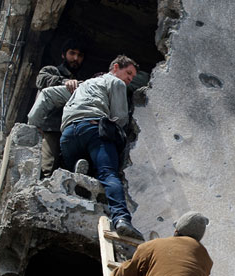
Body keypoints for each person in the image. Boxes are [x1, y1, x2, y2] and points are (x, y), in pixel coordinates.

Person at [59, 55, 143, 240]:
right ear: (115, 67)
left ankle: (82, 169)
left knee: (85, 169)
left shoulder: (83, 84)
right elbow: (120, 118)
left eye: (132, 77)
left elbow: (54, 98)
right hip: (92, 128)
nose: (130, 79)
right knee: (108, 174)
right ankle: (121, 219)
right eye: (128, 73)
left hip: (67, 134)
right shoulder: (116, 83)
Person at [33, 38, 85, 178]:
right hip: (50, 128)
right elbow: (41, 80)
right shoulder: (52, 70)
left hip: (69, 130)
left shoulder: (81, 80)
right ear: (63, 55)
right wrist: (65, 82)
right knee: (47, 168)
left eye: (79, 55)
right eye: (72, 53)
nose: (75, 58)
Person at [111, 211, 213, 276]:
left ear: (176, 231)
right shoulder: (206, 260)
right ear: (198, 239)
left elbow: (126, 272)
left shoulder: (153, 246)